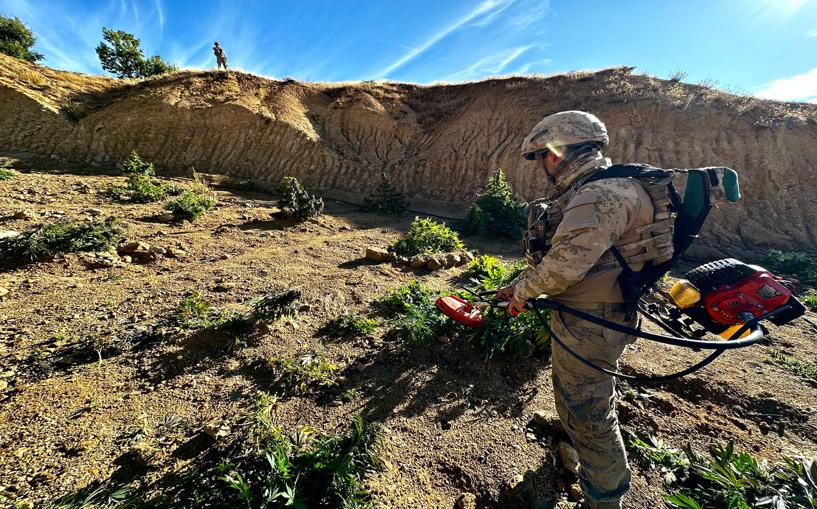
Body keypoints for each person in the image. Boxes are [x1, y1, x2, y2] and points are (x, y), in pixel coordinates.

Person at [496, 111, 674, 509]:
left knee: (589, 414)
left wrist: (523, 293)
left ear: (557, 153)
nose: (542, 166)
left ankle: (604, 498)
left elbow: (563, 267)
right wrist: (522, 285)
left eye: (542, 156)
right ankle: (574, 440)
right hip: (597, 313)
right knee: (584, 397)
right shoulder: (616, 186)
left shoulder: (600, 194)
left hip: (592, 321)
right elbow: (574, 258)